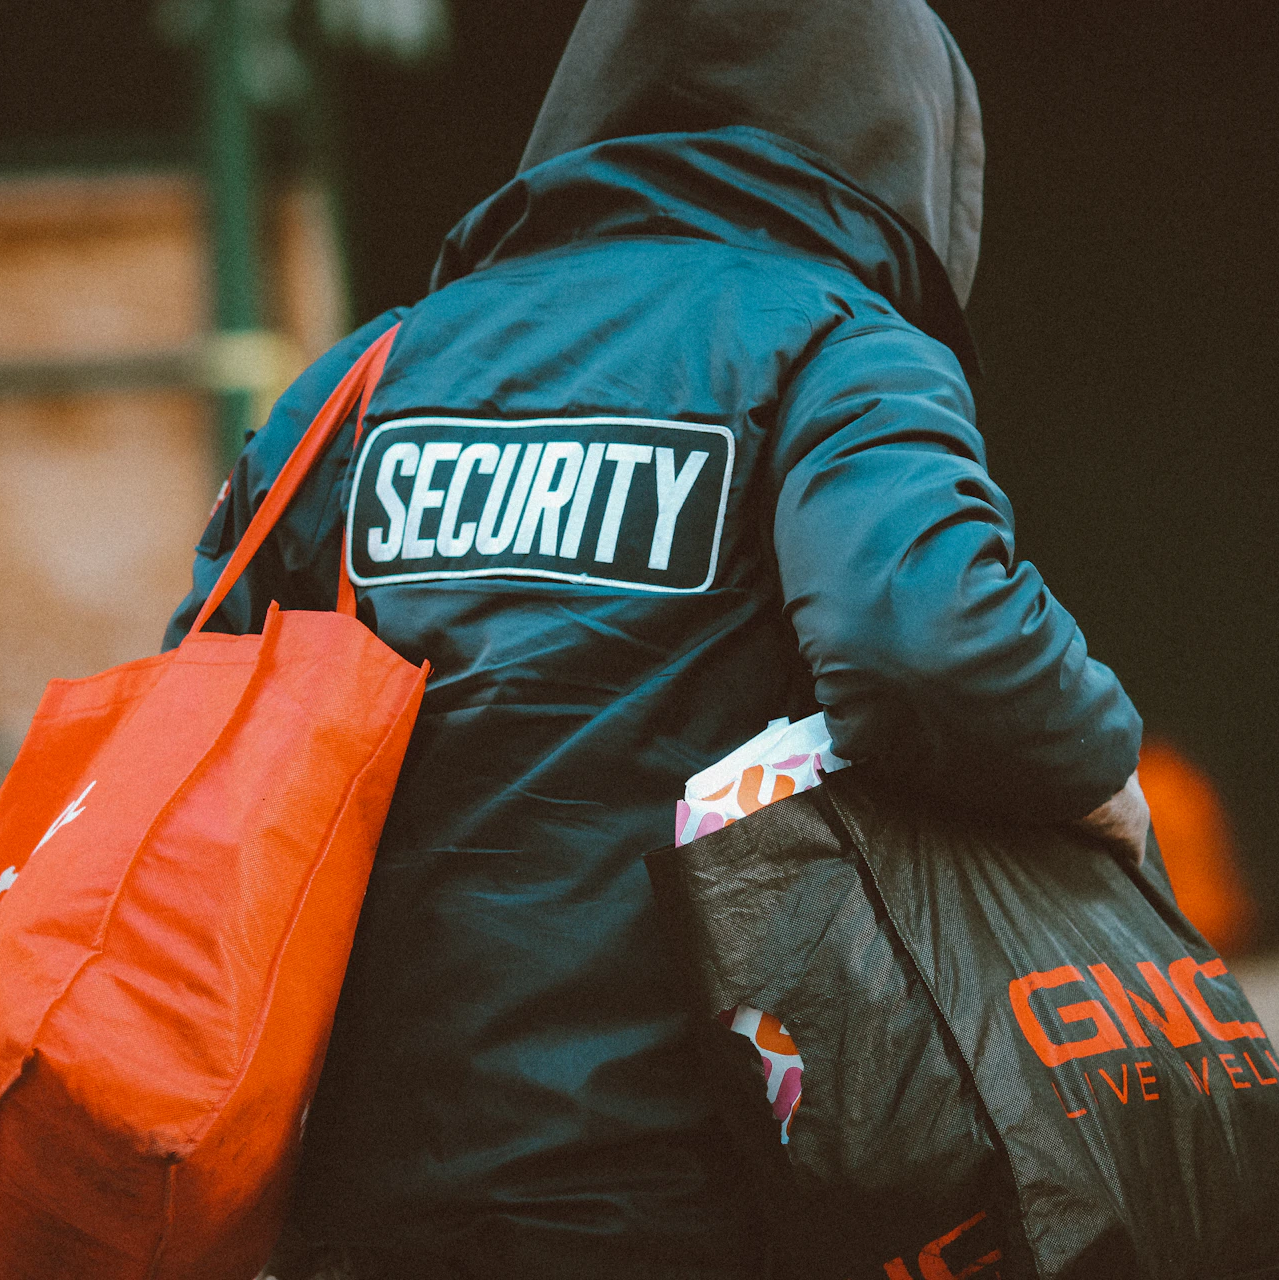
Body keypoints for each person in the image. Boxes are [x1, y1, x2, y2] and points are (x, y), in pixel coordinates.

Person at [165, 0, 1147, 1274]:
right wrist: (1101, 770)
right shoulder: (838, 349)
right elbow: (929, 642)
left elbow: (208, 707)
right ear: (905, 130)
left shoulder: (364, 378)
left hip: (362, 1189)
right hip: (698, 1186)